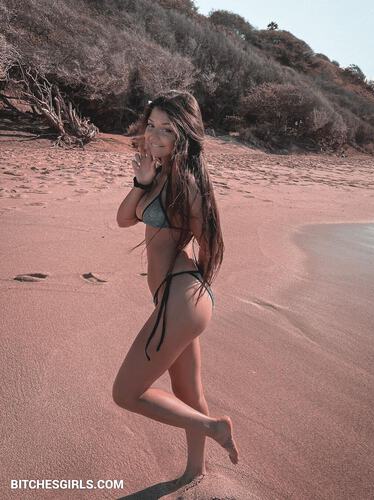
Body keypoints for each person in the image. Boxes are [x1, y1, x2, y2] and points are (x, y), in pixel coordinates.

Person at [113, 90, 239, 487]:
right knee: (187, 390)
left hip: (182, 298)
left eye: (166, 129)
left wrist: (186, 295)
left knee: (126, 393)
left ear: (184, 133)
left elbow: (211, 244)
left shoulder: (187, 182)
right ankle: (195, 470)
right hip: (177, 298)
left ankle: (214, 427)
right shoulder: (159, 174)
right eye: (151, 125)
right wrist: (141, 182)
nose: (154, 135)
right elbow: (123, 219)